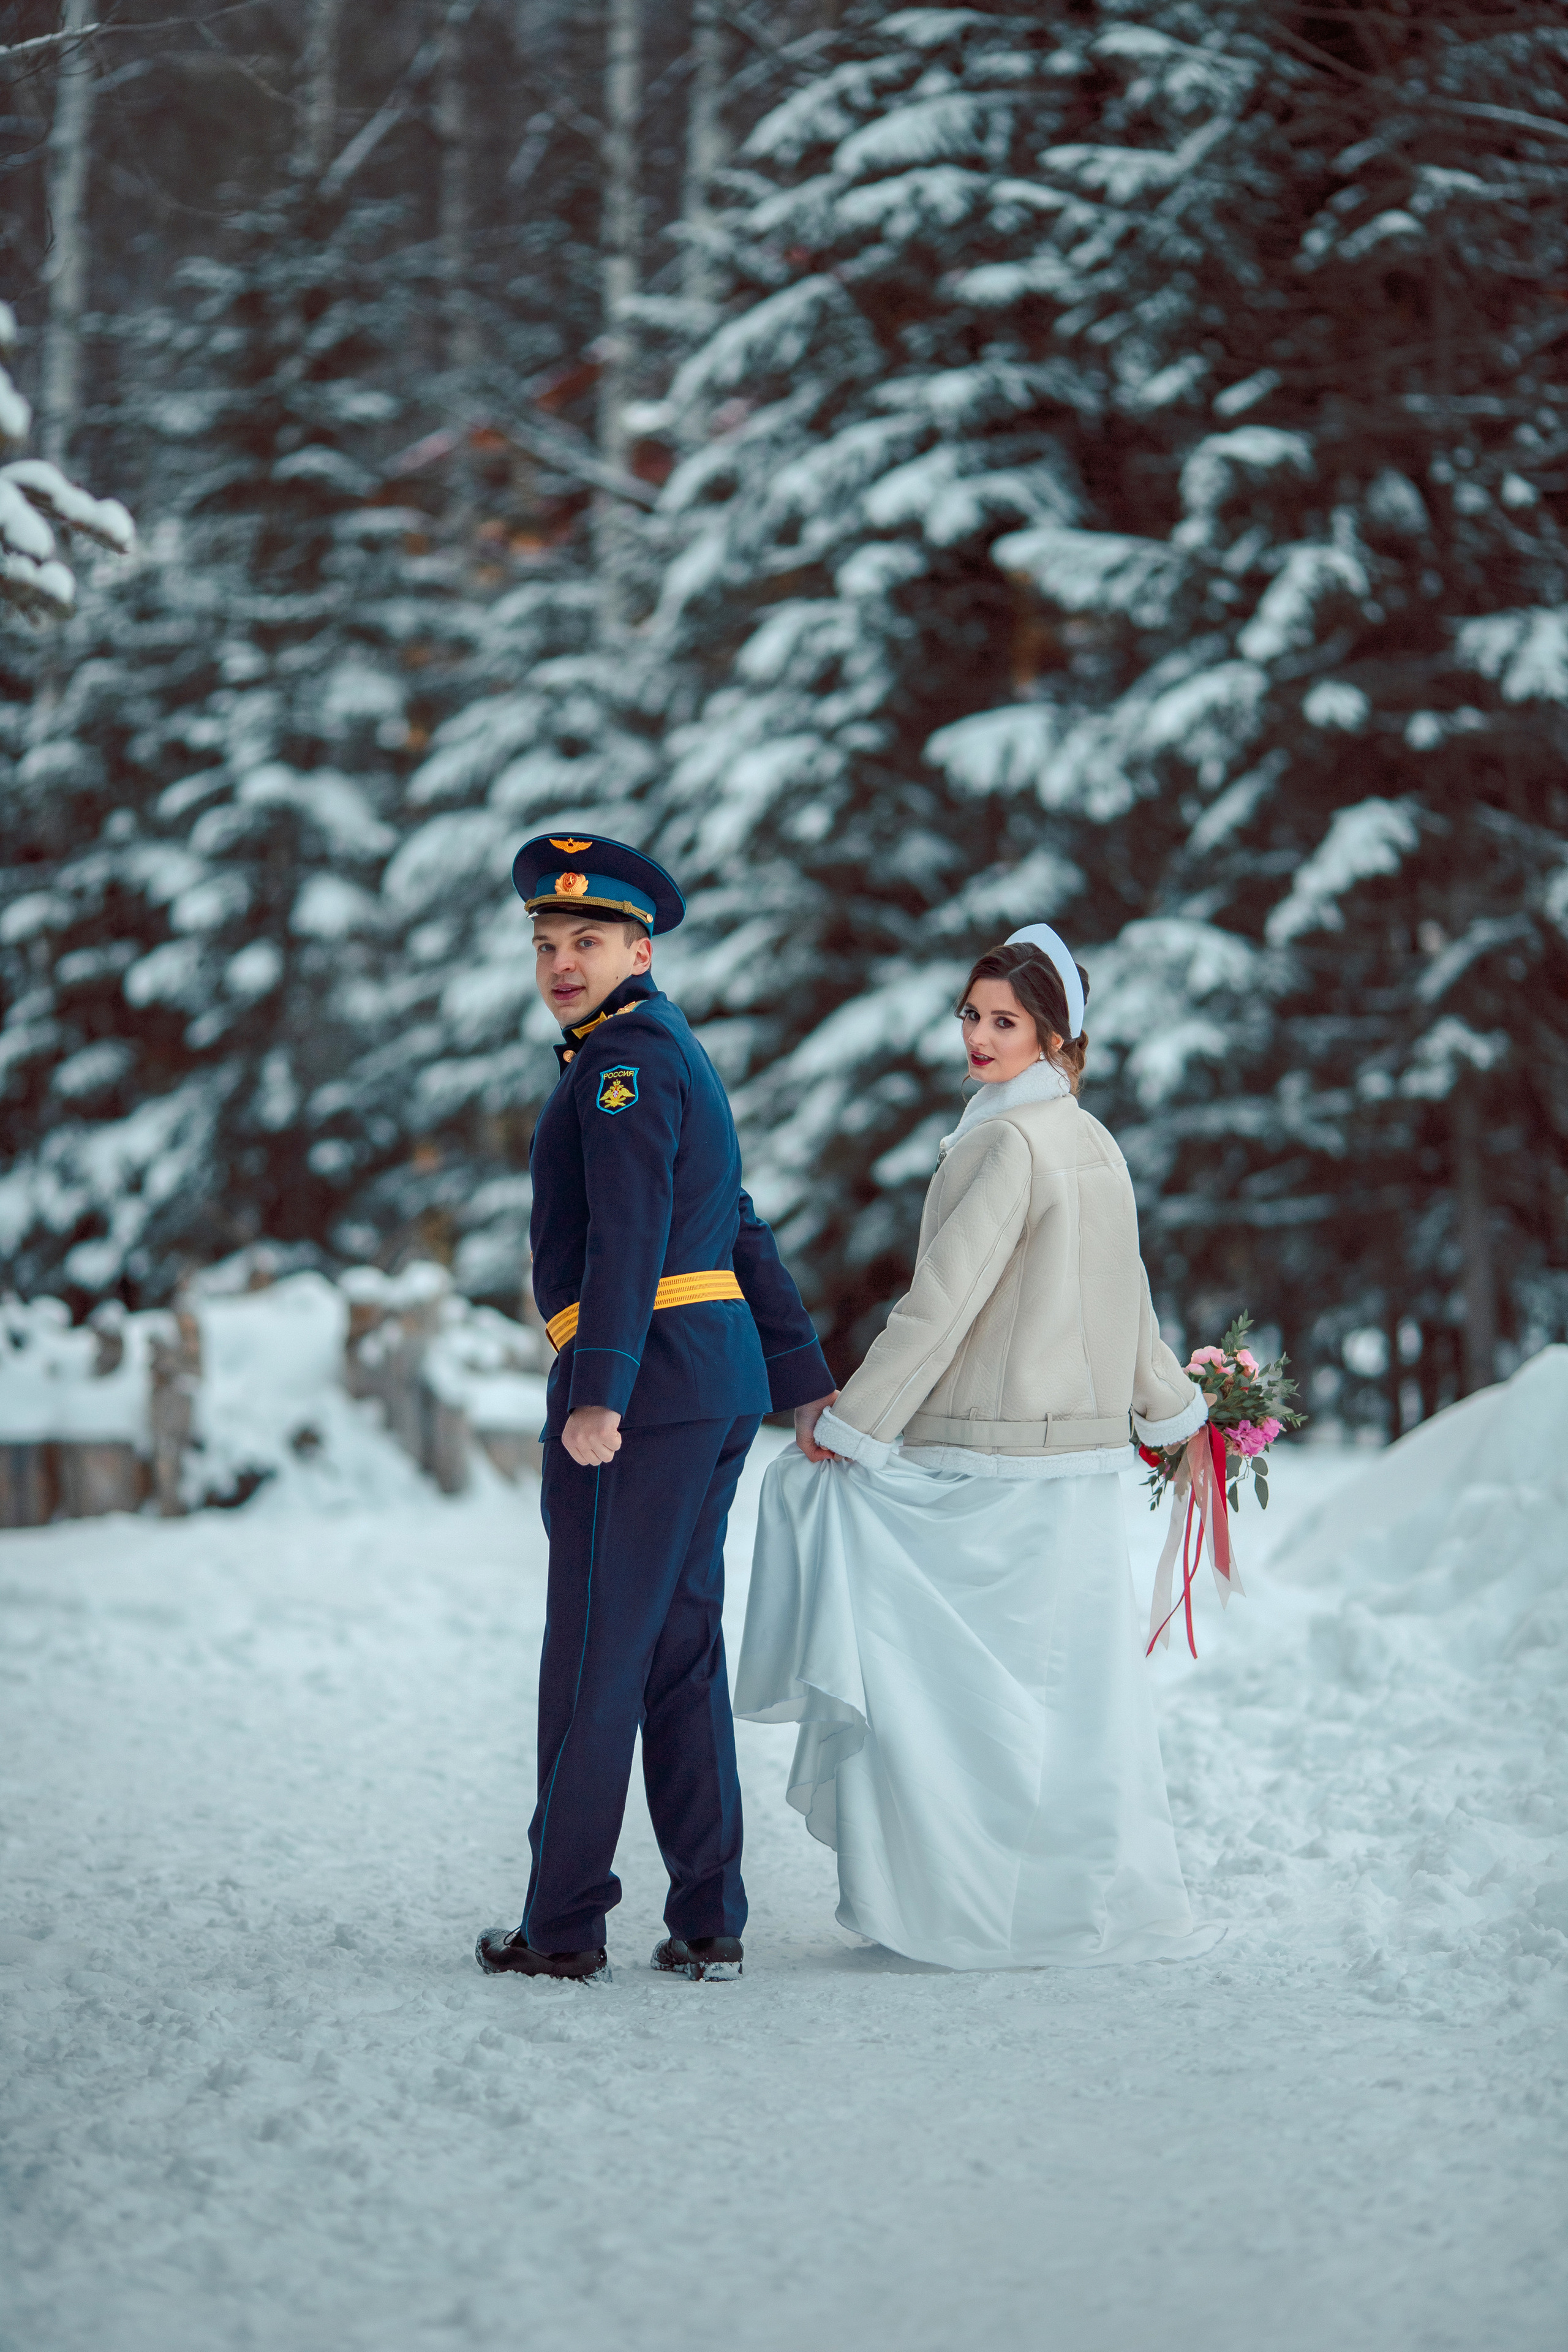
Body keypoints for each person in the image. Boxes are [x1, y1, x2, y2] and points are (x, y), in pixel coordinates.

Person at [733, 924, 1223, 1970]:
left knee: (960, 1686)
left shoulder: (1007, 1141)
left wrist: (856, 1427)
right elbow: (1129, 1303)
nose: (981, 1036)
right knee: (1068, 1689)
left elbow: (940, 1307)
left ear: (1053, 1032)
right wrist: (1171, 1411)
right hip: (1078, 1470)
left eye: (1005, 1020)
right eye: (972, 1015)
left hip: (991, 1460)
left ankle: (966, 1900)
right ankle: (1062, 1891)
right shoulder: (1091, 1139)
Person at [476, 833, 836, 1985]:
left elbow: (632, 1236)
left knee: (594, 1654)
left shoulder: (621, 1065)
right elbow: (738, 1223)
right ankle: (709, 1917)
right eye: (547, 943)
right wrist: (799, 1374)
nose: (563, 961)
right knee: (678, 1651)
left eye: (588, 941)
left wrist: (599, 1393)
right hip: (711, 1387)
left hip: (644, 1395)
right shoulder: (674, 1051)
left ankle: (564, 1923)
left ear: (641, 947)